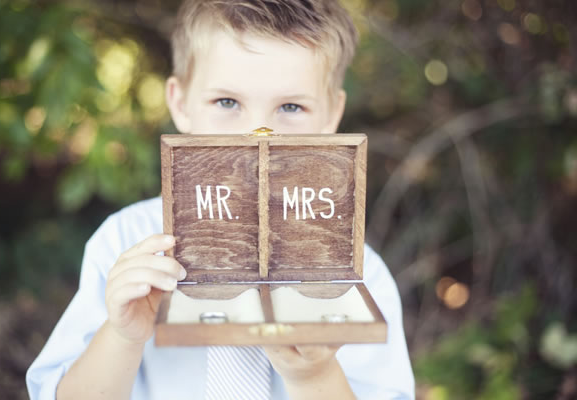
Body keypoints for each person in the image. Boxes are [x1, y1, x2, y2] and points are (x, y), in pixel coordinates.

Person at [26, 0, 415, 398]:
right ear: (180, 104)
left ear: (332, 115)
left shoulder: (354, 275)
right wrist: (122, 336)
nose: (257, 134)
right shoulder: (126, 242)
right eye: (227, 102)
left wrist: (313, 376)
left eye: (291, 106)